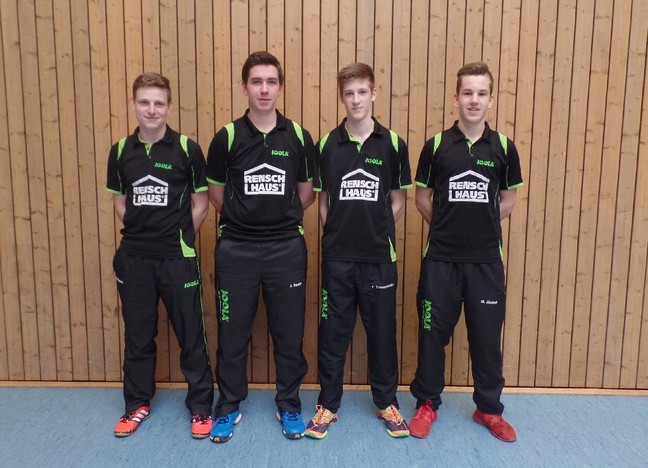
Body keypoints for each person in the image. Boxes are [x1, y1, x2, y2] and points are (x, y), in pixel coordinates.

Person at [409, 62, 523, 442]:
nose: (474, 100)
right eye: (468, 92)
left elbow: (508, 200)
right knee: (432, 336)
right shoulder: (436, 146)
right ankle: (427, 404)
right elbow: (422, 199)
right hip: (441, 260)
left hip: (486, 262)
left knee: (486, 339)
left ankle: (488, 409)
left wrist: (481, 225)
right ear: (456, 98)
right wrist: (448, 228)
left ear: (491, 99)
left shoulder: (504, 147)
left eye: (481, 93)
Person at [206, 51, 315, 442]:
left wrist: (279, 217)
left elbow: (306, 193)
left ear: (280, 87)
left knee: (289, 334)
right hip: (236, 249)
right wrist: (244, 218)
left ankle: (289, 404)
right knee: (232, 334)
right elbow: (215, 193)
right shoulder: (227, 137)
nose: (264, 89)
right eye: (256, 82)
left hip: (286, 249)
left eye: (271, 82)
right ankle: (228, 406)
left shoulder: (298, 137)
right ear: (244, 87)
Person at [304, 63, 412, 439]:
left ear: (373, 94)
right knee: (333, 334)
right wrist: (340, 234)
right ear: (341, 97)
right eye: (349, 93)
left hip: (380, 259)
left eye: (362, 92)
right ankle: (328, 405)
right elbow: (322, 203)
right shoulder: (325, 145)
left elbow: (398, 201)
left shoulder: (393, 144)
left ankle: (386, 402)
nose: (356, 100)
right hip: (338, 260)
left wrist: (375, 229)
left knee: (382, 334)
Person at [106, 72, 214, 439]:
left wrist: (178, 236)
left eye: (158, 103)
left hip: (177, 258)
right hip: (134, 258)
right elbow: (121, 204)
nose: (151, 109)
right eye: (144, 102)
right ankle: (136, 403)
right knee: (138, 335)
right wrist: (143, 233)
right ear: (133, 104)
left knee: (191, 335)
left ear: (169, 106)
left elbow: (201, 204)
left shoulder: (187, 149)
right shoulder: (120, 151)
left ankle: (200, 407)